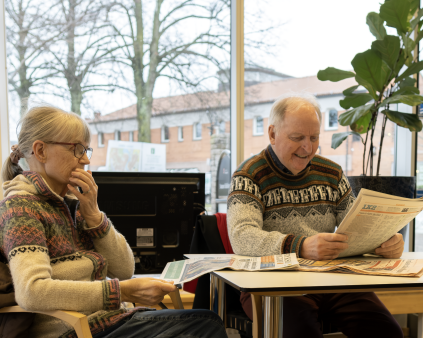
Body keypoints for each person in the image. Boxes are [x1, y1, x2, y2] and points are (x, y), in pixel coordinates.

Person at [0, 104, 227, 338]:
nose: (86, 160)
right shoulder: (21, 208)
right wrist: (120, 292)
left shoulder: (74, 202)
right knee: (204, 324)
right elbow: (31, 292)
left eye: (86, 150)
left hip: (110, 321)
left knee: (204, 321)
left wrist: (95, 216)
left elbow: (125, 269)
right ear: (40, 151)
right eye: (77, 149)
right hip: (76, 330)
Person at [227, 93, 404, 338]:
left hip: (330, 279)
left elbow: (357, 226)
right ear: (272, 134)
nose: (307, 148)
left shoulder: (331, 173)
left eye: (314, 137)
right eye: (297, 138)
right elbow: (242, 237)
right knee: (301, 333)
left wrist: (385, 241)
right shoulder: (248, 175)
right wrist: (300, 246)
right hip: (272, 284)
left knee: (387, 332)